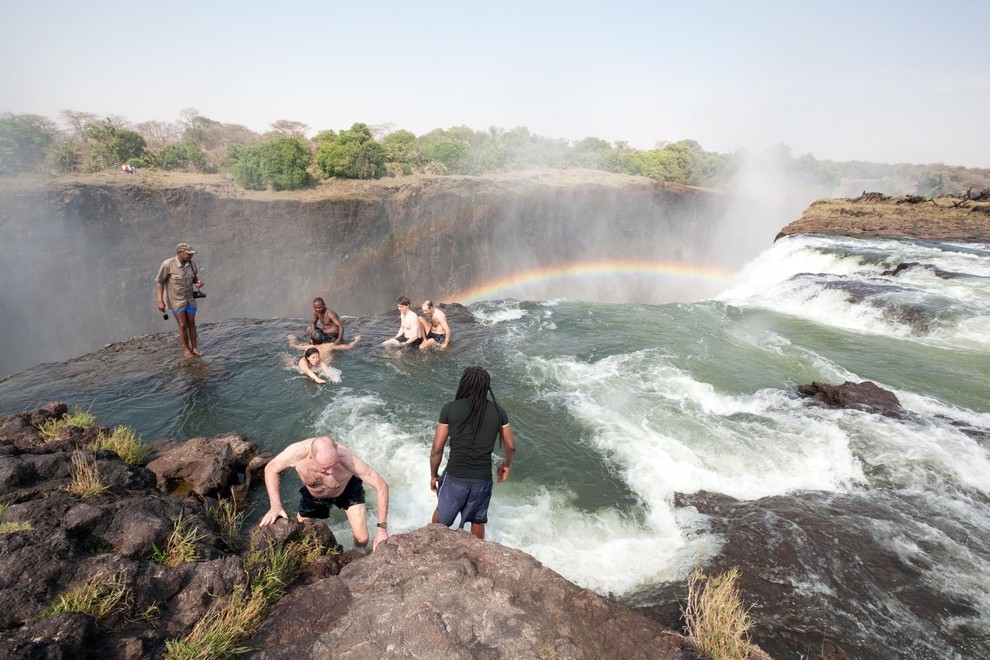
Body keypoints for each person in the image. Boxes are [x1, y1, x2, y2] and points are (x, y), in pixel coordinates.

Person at [259, 435, 390, 551]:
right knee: (299, 533)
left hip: (347, 490)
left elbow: (381, 486)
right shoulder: (296, 454)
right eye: (325, 468)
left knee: (362, 540)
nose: (331, 471)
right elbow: (271, 469)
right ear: (311, 457)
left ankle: (357, 553)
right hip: (315, 495)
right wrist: (275, 505)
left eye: (334, 464)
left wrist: (381, 529)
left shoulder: (347, 457)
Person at [430, 366, 516, 540]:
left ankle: (431, 546)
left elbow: (437, 449)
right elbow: (511, 446)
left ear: (464, 384)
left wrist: (433, 475)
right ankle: (476, 554)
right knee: (477, 520)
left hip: (454, 476)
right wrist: (506, 465)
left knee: (441, 519)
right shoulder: (499, 412)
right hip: (482, 479)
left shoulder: (450, 408)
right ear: (486, 387)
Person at [156, 242, 204, 358]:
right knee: (183, 325)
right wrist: (160, 300)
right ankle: (187, 349)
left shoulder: (192, 264)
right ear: (179, 253)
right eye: (188, 254)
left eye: (191, 254)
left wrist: (197, 282)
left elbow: (194, 277)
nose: (190, 256)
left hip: (189, 298)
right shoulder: (168, 264)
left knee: (191, 323)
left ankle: (195, 348)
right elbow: (160, 281)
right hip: (176, 300)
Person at [289, 335, 362, 384]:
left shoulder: (318, 359)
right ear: (308, 358)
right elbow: (308, 371)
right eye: (313, 358)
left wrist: (334, 377)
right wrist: (317, 379)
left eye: (317, 357)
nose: (316, 359)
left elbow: (325, 368)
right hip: (295, 362)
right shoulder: (303, 361)